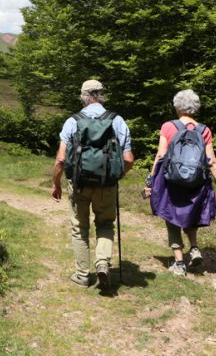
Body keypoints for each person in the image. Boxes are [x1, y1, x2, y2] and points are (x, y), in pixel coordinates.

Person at [52, 80, 134, 289]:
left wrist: (56, 184)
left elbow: (61, 159)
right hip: (106, 184)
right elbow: (129, 159)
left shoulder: (73, 121)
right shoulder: (117, 121)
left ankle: (81, 275)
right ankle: (102, 264)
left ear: (84, 96)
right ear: (101, 95)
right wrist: (117, 175)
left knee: (80, 228)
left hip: (79, 184)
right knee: (105, 224)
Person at [144, 89, 216, 276]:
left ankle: (179, 263)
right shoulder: (204, 130)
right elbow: (212, 161)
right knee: (191, 214)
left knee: (171, 216)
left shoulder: (168, 126)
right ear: (195, 107)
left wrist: (150, 180)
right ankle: (194, 248)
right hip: (197, 181)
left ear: (177, 106)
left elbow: (160, 155)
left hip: (171, 181)